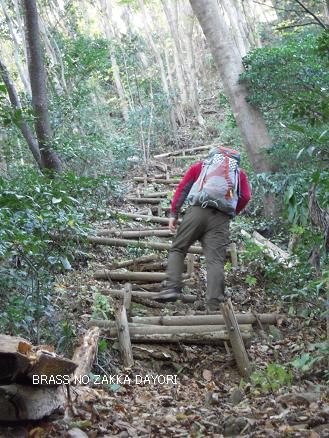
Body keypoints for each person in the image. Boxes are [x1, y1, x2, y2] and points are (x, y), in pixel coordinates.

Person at [155, 149, 251, 311]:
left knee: (179, 248)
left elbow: (183, 189)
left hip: (197, 212)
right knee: (215, 261)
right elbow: (246, 197)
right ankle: (213, 303)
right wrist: (232, 212)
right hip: (220, 219)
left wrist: (174, 213)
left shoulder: (200, 167)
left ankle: (172, 287)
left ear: (212, 157)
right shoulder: (238, 174)